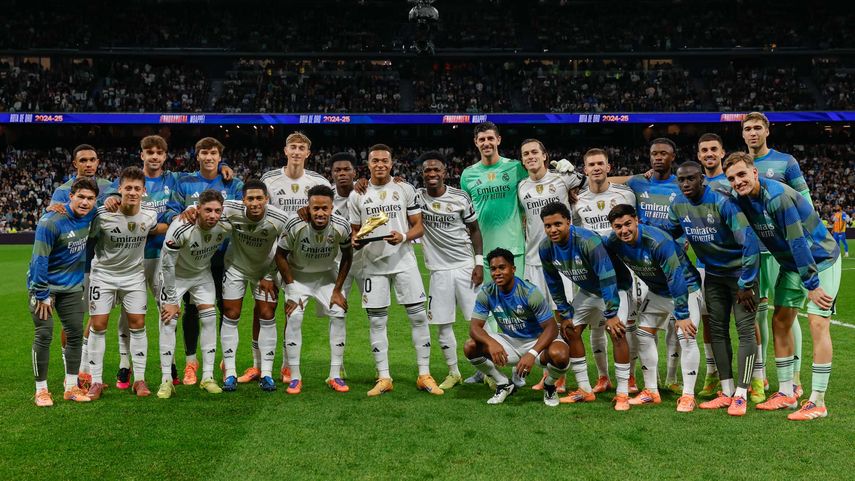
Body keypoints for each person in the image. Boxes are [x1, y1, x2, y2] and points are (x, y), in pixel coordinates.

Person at [725, 152, 841, 420]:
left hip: (820, 261)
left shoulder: (777, 197)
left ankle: (818, 401)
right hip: (791, 264)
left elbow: (797, 240)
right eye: (732, 178)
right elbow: (751, 242)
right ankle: (787, 393)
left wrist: (811, 283)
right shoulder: (741, 201)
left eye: (742, 174)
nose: (738, 181)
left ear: (755, 172)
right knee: (780, 321)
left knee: (817, 323)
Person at [347, 143, 442, 397]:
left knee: (418, 317)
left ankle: (424, 374)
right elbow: (355, 231)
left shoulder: (404, 188)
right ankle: (384, 377)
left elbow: (419, 226)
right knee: (377, 321)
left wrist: (403, 237)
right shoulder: (358, 194)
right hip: (373, 266)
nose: (380, 165)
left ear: (392, 163)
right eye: (375, 160)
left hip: (404, 263)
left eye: (384, 161)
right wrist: (355, 239)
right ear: (367, 164)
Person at [667, 161, 761, 416]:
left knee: (745, 331)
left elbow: (749, 242)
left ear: (702, 180)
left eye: (691, 179)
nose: (685, 184)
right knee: (717, 330)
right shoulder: (677, 205)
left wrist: (747, 283)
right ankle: (727, 391)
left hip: (741, 276)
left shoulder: (722, 202)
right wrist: (686, 265)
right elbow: (668, 238)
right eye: (681, 180)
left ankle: (742, 393)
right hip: (714, 276)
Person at [604, 204, 703, 412]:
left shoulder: (658, 242)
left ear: (636, 220)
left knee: (687, 336)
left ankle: (688, 396)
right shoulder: (613, 242)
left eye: (628, 224)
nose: (624, 230)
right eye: (618, 226)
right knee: (643, 334)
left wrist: (682, 315)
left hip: (685, 288)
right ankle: (651, 391)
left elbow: (675, 278)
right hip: (658, 292)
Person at [538, 202, 634, 411]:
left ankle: (623, 394)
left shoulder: (587, 241)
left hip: (615, 288)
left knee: (616, 332)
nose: (552, 230)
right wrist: (564, 313)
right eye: (548, 226)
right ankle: (584, 389)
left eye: (558, 224)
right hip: (589, 291)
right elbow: (553, 282)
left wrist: (611, 313)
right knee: (570, 330)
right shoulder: (545, 248)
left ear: (569, 222)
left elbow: (606, 275)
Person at [742, 112, 811, 395]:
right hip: (753, 253)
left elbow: (804, 200)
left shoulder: (786, 162)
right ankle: (761, 375)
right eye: (748, 129)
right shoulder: (738, 165)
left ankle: (794, 378)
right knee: (757, 316)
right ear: (742, 134)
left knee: (787, 314)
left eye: (758, 128)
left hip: (782, 252)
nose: (753, 133)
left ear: (767, 131)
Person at [166, 137, 244, 385]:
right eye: (204, 153)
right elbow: (169, 211)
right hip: (192, 258)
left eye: (213, 153)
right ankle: (191, 362)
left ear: (220, 157)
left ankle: (224, 361)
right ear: (197, 156)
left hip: (224, 256)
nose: (209, 157)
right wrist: (182, 213)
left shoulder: (233, 182)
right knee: (191, 310)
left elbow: (241, 213)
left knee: (225, 309)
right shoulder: (184, 181)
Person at [258, 132, 332, 385]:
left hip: (301, 258)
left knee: (293, 312)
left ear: (308, 153)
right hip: (271, 253)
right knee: (264, 309)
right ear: (285, 150)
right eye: (293, 147)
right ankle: (259, 365)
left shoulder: (318, 181)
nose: (297, 151)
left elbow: (330, 212)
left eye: (302, 148)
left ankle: (288, 366)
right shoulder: (269, 180)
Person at [86, 167, 165, 400]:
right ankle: (96, 381)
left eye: (137, 188)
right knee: (98, 325)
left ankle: (139, 379)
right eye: (128, 188)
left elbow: (157, 227)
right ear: (119, 189)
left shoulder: (149, 214)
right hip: (103, 276)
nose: (132, 192)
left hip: (133, 277)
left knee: (138, 324)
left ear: (144, 191)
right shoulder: (102, 215)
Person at [464, 248, 570, 406]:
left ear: (513, 269)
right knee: (470, 346)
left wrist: (532, 353)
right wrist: (491, 343)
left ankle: (549, 385)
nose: (497, 273)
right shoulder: (487, 292)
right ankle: (504, 384)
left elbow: (552, 328)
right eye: (493, 269)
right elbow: (474, 327)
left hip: (538, 342)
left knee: (560, 355)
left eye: (502, 267)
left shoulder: (529, 292)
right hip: (511, 342)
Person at [572, 148, 638, 394]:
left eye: (601, 163)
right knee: (595, 327)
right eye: (591, 164)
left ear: (609, 167)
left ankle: (629, 377)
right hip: (591, 274)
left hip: (622, 270)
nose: (596, 168)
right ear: (585, 169)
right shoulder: (577, 200)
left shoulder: (626, 195)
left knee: (625, 327)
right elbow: (577, 233)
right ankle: (603, 377)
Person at [28, 178, 99, 406]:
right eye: (81, 197)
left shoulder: (92, 215)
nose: (85, 202)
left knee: (76, 334)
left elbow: (115, 200)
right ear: (71, 196)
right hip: (45, 287)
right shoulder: (51, 222)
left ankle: (71, 387)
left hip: (71, 288)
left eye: (90, 198)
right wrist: (41, 293)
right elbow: (39, 259)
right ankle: (41, 390)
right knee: (44, 334)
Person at [274, 185, 352, 393]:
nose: (320, 213)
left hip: (326, 276)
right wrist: (290, 289)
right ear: (307, 207)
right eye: (315, 208)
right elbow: (280, 255)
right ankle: (295, 376)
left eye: (324, 208)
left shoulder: (341, 225)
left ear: (331, 207)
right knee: (295, 316)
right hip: (298, 277)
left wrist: (337, 290)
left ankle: (335, 375)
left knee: (339, 312)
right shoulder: (295, 224)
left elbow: (347, 255)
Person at [622, 138, 685, 394]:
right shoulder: (638, 182)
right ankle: (649, 377)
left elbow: (687, 218)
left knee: (675, 324)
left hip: (672, 260)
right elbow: (614, 183)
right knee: (644, 324)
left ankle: (671, 377)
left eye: (663, 154)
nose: (658, 157)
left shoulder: (681, 185)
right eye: (653, 153)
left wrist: (683, 240)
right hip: (644, 264)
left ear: (673, 157)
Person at [418, 151, 484, 390]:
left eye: (436, 170)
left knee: (477, 323)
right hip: (438, 271)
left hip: (465, 267)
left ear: (445, 172)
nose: (432, 174)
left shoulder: (460, 197)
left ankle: (483, 371)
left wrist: (478, 263)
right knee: (442, 324)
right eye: (427, 170)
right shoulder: (416, 197)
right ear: (422, 174)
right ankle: (453, 372)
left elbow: (474, 229)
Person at [216, 180, 290, 392]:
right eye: (250, 198)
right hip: (236, 267)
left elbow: (284, 248)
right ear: (243, 200)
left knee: (267, 315)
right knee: (231, 313)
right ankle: (229, 372)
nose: (255, 203)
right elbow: (203, 207)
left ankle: (266, 373)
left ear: (267, 199)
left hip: (265, 271)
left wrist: (269, 274)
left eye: (259, 198)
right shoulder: (231, 209)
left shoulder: (279, 218)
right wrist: (189, 212)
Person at [158, 190, 231, 398]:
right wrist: (172, 300)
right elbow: (167, 265)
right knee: (168, 321)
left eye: (217, 211)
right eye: (207, 210)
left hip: (201, 275)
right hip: (175, 275)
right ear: (198, 209)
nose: (213, 215)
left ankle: (207, 376)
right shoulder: (181, 227)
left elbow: (244, 207)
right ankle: (166, 380)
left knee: (209, 319)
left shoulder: (225, 222)